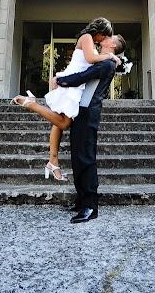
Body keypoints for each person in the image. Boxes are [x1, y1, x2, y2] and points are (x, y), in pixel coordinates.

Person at [12, 18, 119, 181]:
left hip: (74, 84)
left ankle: (53, 162)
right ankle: (31, 104)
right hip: (71, 84)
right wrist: (111, 56)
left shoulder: (91, 41)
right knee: (64, 123)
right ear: (99, 32)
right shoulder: (87, 38)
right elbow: (90, 59)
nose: (103, 40)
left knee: (59, 124)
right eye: (103, 36)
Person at [55, 33, 126, 223]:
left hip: (89, 113)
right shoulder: (103, 60)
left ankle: (90, 207)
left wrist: (60, 80)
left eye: (111, 36)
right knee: (78, 157)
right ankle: (81, 201)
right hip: (82, 111)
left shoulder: (107, 64)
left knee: (86, 158)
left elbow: (82, 77)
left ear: (112, 44)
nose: (106, 36)